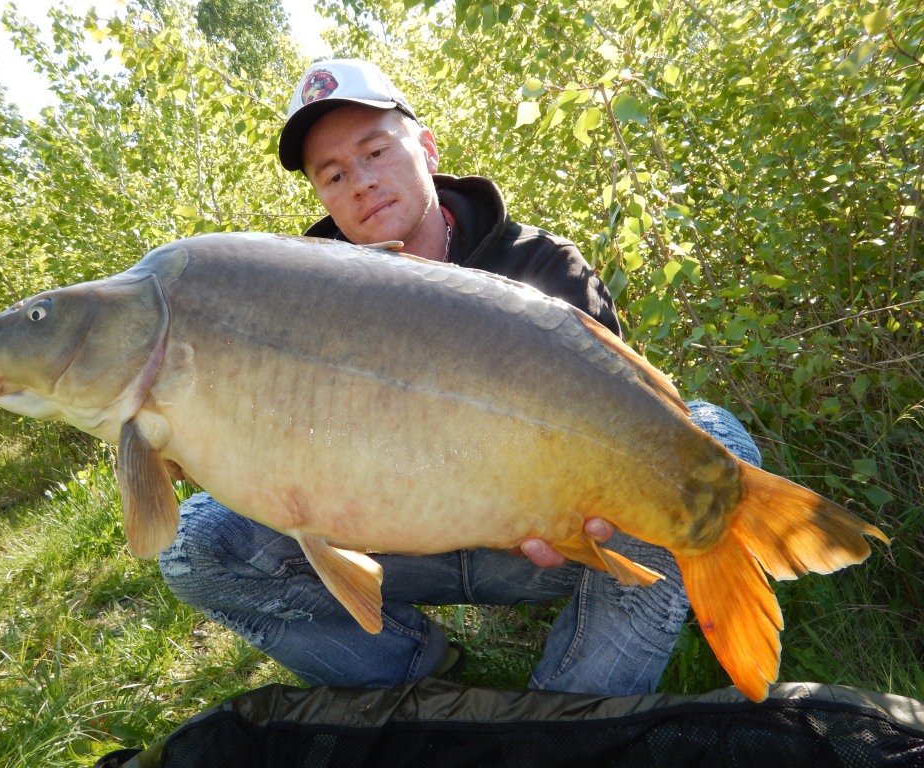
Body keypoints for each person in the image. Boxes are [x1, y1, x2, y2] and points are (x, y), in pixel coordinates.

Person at [158, 59, 762, 694]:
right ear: (321, 195)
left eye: (375, 152)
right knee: (194, 543)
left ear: (425, 148)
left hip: (535, 548)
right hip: (386, 543)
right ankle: (411, 672)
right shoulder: (291, 307)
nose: (362, 183)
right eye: (333, 174)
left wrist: (577, 510)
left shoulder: (540, 265)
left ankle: (570, 712)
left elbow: (624, 425)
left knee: (714, 443)